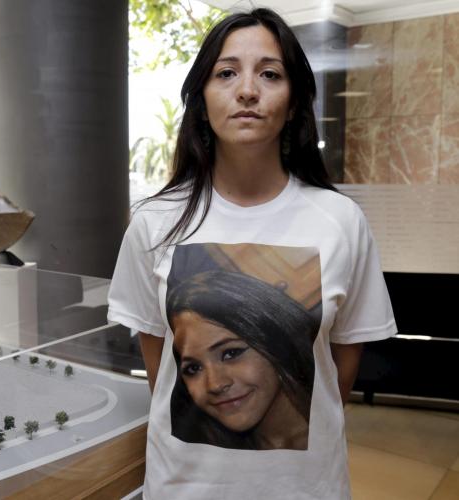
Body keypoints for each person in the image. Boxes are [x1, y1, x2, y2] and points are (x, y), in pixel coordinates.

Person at [107, 7, 397, 499]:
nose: (246, 90)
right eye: (226, 73)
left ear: (294, 101)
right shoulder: (154, 223)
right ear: (202, 102)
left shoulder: (341, 222)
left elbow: (340, 366)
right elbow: (162, 366)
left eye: (269, 74)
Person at [167, 270, 318, 450]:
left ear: (278, 342)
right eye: (193, 368)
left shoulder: (340, 436)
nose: (215, 384)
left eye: (231, 353)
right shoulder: (197, 451)